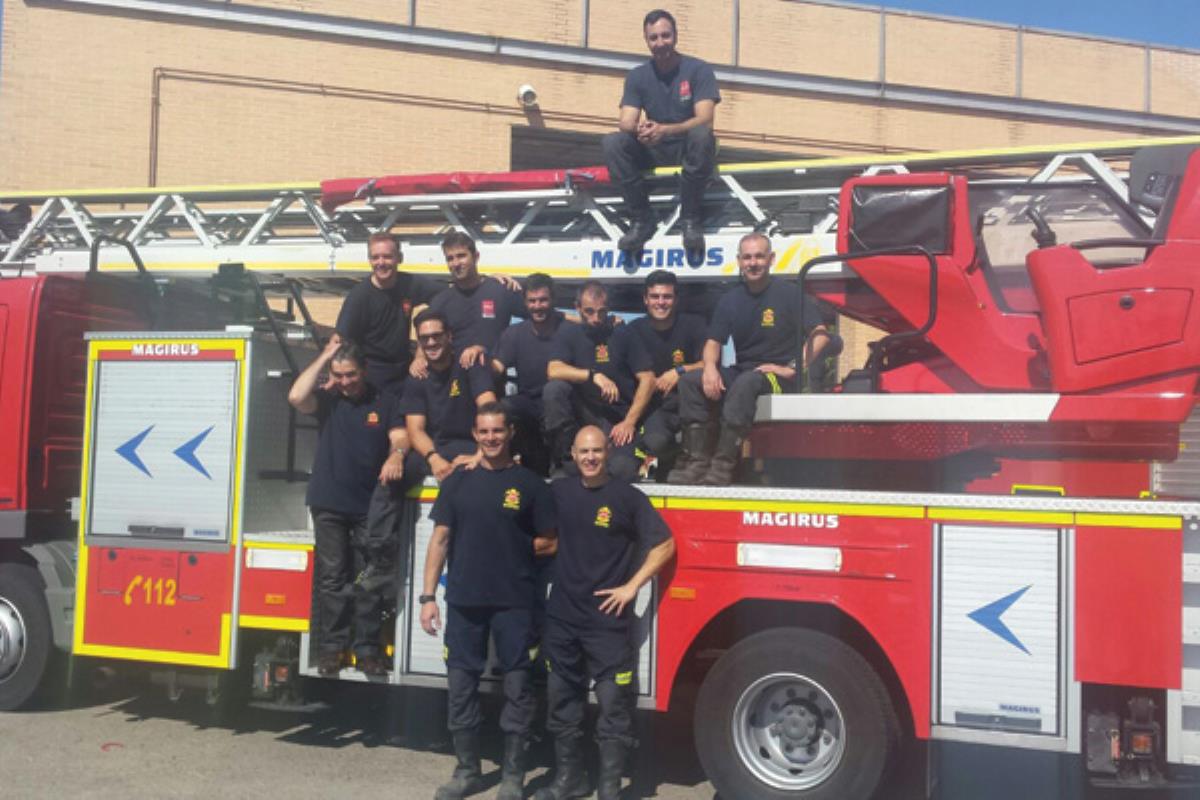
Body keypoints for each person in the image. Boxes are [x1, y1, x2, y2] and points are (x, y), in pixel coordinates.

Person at [419, 403, 558, 800]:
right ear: (475, 435)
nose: (492, 438)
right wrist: (428, 597)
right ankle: (466, 771)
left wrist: (514, 549)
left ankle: (513, 776)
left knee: (518, 687)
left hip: (515, 603)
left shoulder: (531, 485)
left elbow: (551, 541)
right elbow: (440, 540)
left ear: (509, 432)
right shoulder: (457, 483)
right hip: (463, 601)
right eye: (484, 432)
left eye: (498, 431)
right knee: (461, 685)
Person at [536, 426, 676, 800]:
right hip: (563, 617)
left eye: (597, 450)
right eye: (584, 452)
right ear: (573, 453)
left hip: (607, 624)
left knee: (614, 707)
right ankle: (570, 780)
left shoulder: (628, 498)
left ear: (609, 451)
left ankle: (609, 788)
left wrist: (632, 587)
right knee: (562, 703)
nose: (590, 458)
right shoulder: (558, 491)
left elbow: (664, 545)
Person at [670, 232, 835, 486]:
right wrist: (710, 368)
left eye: (759, 256)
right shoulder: (730, 300)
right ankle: (696, 463)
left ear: (771, 259)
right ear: (739, 261)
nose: (753, 262)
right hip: (744, 372)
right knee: (690, 381)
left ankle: (723, 465)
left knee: (747, 382)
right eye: (747, 257)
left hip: (778, 379)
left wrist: (793, 368)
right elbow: (713, 342)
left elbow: (820, 335)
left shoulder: (790, 293)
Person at [288, 338, 408, 677]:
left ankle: (367, 649)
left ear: (364, 371)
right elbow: (296, 396)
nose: (344, 381)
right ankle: (332, 648)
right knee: (332, 577)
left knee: (368, 578)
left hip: (368, 505)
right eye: (338, 375)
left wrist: (397, 454)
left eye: (351, 375)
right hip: (328, 503)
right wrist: (325, 355)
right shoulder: (328, 400)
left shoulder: (385, 402)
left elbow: (400, 436)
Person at [603, 8, 720, 254]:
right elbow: (625, 121)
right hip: (654, 148)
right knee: (613, 142)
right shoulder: (637, 76)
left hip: (688, 147)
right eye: (653, 38)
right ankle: (641, 220)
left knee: (701, 135)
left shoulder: (699, 70)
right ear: (646, 40)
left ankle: (690, 220)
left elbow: (705, 119)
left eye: (665, 36)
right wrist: (641, 128)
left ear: (675, 36)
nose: (660, 43)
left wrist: (665, 130)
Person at [545, 281, 655, 481]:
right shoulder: (568, 332)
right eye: (589, 311)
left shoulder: (624, 333)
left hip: (617, 421)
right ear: (577, 308)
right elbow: (553, 370)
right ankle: (564, 458)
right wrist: (593, 375)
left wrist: (629, 422)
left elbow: (648, 378)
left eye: (601, 312)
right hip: (582, 419)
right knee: (554, 389)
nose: (596, 318)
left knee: (622, 470)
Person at [336, 233, 442, 396]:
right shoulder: (359, 297)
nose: (381, 263)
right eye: (375, 257)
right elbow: (340, 341)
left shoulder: (409, 284)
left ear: (399, 258)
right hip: (373, 376)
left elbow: (447, 297)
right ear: (369, 260)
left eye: (387, 257)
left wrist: (421, 351)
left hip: (405, 369)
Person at [626, 269, 706, 475]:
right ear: (645, 299)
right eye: (655, 296)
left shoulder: (694, 325)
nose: (660, 302)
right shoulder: (632, 330)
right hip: (649, 410)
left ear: (676, 299)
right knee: (655, 441)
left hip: (686, 408)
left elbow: (710, 363)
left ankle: (678, 459)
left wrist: (680, 371)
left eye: (667, 296)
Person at [403, 309, 498, 484]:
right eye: (424, 338)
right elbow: (415, 430)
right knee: (395, 473)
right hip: (434, 448)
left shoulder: (470, 365)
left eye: (436, 335)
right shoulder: (416, 379)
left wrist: (480, 454)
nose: (431, 342)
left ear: (449, 336)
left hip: (472, 445)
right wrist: (433, 459)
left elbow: (490, 411)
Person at [492, 272, 573, 476]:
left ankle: (561, 462)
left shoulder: (570, 329)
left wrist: (610, 321)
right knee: (503, 407)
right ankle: (503, 462)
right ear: (525, 303)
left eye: (543, 300)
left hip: (563, 408)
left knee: (553, 391)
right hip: (529, 406)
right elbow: (496, 368)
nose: (538, 306)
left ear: (553, 300)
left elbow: (593, 323)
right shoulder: (514, 334)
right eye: (532, 301)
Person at [412, 231, 524, 377]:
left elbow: (541, 314)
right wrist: (419, 358)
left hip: (492, 375)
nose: (456, 263)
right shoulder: (441, 300)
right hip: (455, 381)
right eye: (450, 258)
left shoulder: (501, 290)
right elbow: (427, 336)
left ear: (476, 257)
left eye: (461, 256)